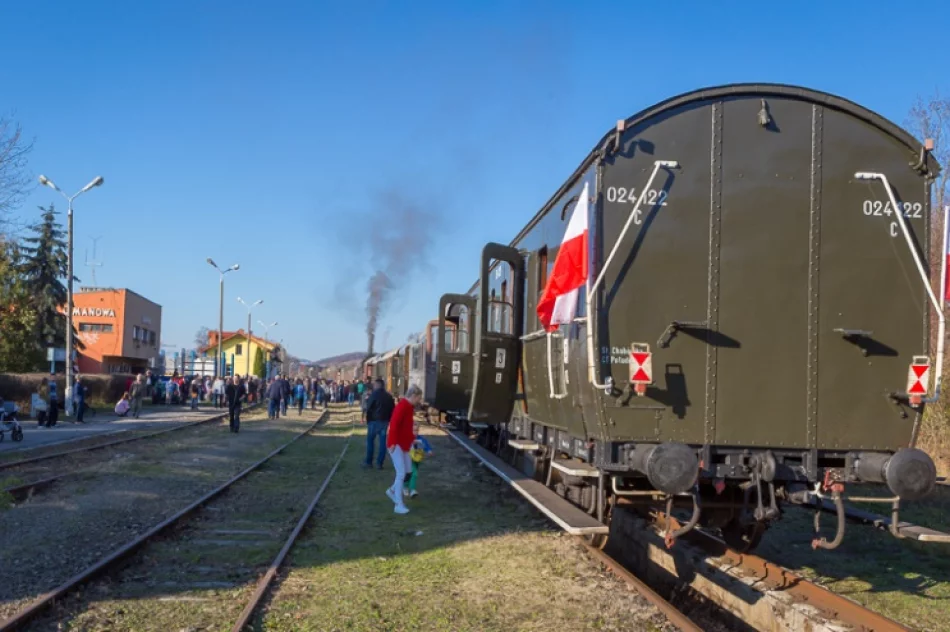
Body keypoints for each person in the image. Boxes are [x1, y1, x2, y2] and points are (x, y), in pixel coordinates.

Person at [386, 384, 423, 515]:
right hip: (396, 445)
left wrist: (412, 439)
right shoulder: (403, 406)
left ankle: (392, 491)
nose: (419, 401)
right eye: (418, 398)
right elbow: (394, 424)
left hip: (403, 445)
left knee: (407, 471)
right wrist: (392, 443)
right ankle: (398, 504)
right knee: (401, 473)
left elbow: (405, 427)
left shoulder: (407, 407)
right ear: (413, 396)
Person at [362, 378, 394, 470]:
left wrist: (367, 418)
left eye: (374, 384)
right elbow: (393, 409)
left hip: (373, 421)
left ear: (377, 385)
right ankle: (379, 463)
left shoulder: (373, 395)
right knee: (382, 443)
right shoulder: (389, 396)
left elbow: (368, 407)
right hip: (384, 422)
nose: (373, 386)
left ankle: (369, 462)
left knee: (370, 442)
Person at [404, 423, 433, 499]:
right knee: (414, 473)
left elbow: (426, 445)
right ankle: (412, 490)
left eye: (416, 430)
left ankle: (405, 486)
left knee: (409, 474)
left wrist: (429, 450)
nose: (415, 432)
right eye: (413, 430)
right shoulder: (406, 438)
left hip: (417, 459)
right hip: (408, 459)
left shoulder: (421, 439)